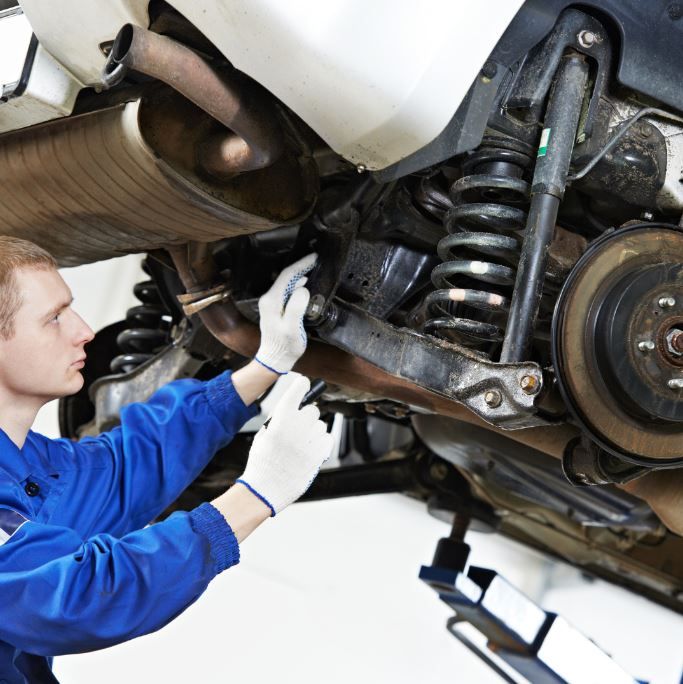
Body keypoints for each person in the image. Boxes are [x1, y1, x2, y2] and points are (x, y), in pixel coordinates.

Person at [0, 236, 333, 683]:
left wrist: (267, 364)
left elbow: (124, 469)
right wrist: (254, 496)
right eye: (54, 319)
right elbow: (75, 599)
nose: (84, 330)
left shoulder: (22, 465)